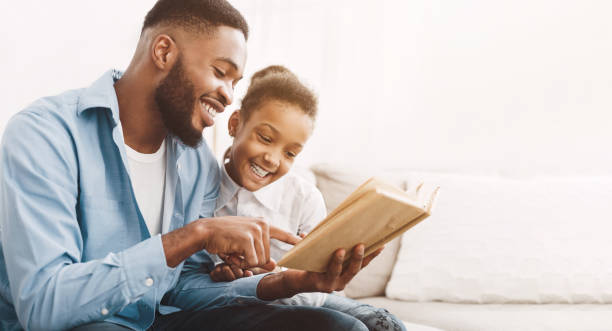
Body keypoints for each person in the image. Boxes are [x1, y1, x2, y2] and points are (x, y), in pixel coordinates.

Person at [0, 1, 380, 330]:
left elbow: (183, 288)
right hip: (83, 324)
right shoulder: (45, 134)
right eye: (220, 72)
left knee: (336, 326)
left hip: (163, 319)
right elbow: (43, 305)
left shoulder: (195, 158)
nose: (229, 96)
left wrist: (291, 282)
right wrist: (191, 236)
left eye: (235, 81)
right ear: (163, 52)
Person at [209, 65, 406, 331]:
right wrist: (225, 277)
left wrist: (265, 278)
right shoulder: (202, 190)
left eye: (290, 153)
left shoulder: (304, 198)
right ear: (235, 124)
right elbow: (194, 284)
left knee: (386, 325)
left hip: (301, 297)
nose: (272, 158)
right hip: (236, 307)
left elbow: (315, 296)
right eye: (266, 138)